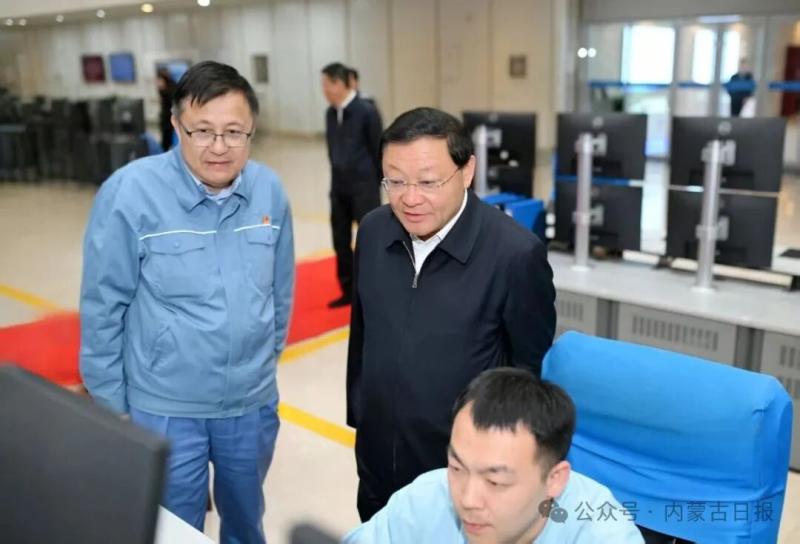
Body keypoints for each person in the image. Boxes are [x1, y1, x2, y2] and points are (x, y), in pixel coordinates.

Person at [80, 60, 294, 543]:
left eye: (234, 132)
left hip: (250, 404)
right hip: (165, 407)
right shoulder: (130, 193)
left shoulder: (269, 190)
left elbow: (280, 292)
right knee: (175, 529)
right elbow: (103, 307)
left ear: (252, 131)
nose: (219, 146)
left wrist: (260, 363)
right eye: (202, 131)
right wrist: (113, 405)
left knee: (246, 522)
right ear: (177, 126)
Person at [347, 107, 556, 521]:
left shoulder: (515, 255)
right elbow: (362, 336)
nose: (409, 198)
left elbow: (527, 375)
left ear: (467, 171)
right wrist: (362, 415)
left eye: (428, 182)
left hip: (460, 481)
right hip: (376, 465)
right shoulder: (373, 232)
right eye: (395, 181)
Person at [344, 368, 645, 543]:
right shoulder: (426, 500)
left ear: (555, 479)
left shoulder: (600, 533)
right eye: (457, 468)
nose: (467, 500)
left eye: (495, 482)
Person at [320, 62, 383, 308]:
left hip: (363, 188)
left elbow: (378, 149)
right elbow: (331, 150)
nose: (324, 90)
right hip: (339, 189)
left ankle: (372, 292)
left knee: (369, 241)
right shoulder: (330, 113)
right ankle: (347, 291)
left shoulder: (366, 111)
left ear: (340, 84)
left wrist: (377, 183)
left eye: (327, 84)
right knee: (340, 240)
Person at [156, 67, 177, 151]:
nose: (158, 83)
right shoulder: (165, 88)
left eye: (159, 80)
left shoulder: (172, 88)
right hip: (166, 117)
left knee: (167, 140)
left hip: (170, 118)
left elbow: (172, 103)